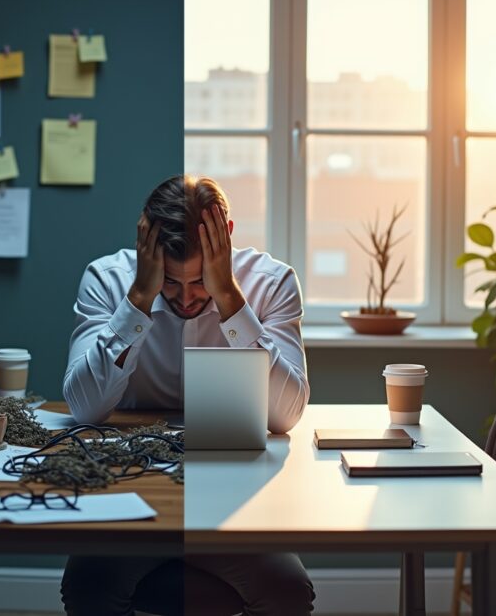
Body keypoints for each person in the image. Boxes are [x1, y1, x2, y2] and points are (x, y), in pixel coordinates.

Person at [60, 175, 315, 616]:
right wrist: (140, 297)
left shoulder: (272, 284)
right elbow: (85, 407)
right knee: (89, 586)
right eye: (170, 284)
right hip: (132, 498)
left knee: (287, 592)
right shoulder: (107, 280)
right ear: (147, 253)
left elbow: (286, 414)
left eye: (198, 281)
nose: (185, 299)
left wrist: (231, 300)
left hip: (234, 505)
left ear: (226, 239)